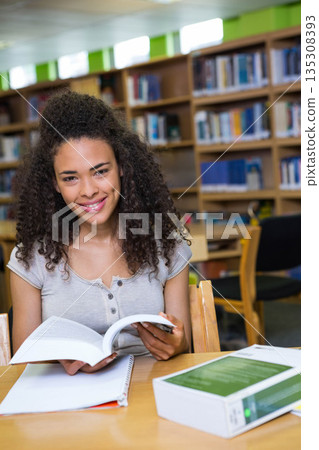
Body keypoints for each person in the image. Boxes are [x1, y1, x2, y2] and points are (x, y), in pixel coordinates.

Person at [8, 90, 192, 375]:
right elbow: (24, 363)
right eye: (70, 178)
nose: (89, 190)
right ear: (55, 184)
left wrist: (176, 345)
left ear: (121, 167)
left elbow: (183, 343)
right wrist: (60, 360)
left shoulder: (166, 245)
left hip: (151, 393)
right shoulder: (30, 259)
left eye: (100, 171)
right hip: (71, 406)